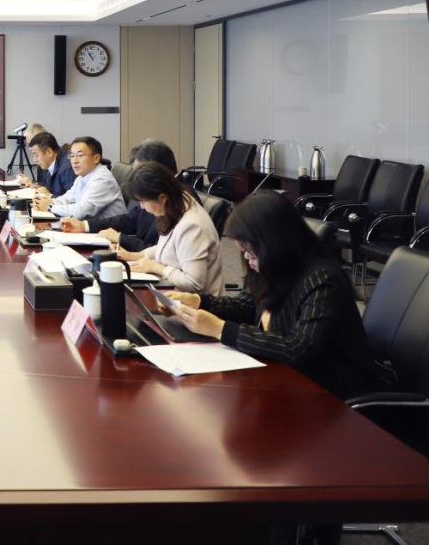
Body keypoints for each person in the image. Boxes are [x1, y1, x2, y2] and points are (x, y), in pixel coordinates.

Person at [162, 192, 396, 399]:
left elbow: (298, 349)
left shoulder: (324, 280)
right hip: (293, 383)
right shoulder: (276, 267)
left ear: (273, 242)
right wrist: (201, 301)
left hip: (333, 394)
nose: (246, 258)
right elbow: (247, 306)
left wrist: (220, 329)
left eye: (250, 250)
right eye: (243, 250)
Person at [61, 139, 199, 252]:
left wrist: (120, 238)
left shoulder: (179, 198)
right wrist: (85, 225)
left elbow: (160, 250)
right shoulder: (158, 190)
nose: (135, 179)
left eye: (140, 172)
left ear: (157, 169)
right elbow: (131, 219)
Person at [114, 162, 223, 296]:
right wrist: (136, 256)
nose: (142, 207)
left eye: (143, 201)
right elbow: (169, 247)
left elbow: (194, 284)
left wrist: (157, 268)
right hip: (173, 293)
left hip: (198, 304)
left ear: (162, 197)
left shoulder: (191, 226)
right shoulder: (176, 205)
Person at [36, 136, 126, 220]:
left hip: (109, 230)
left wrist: (50, 207)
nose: (74, 161)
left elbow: (81, 212)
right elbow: (68, 198)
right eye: (72, 156)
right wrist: (48, 202)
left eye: (80, 155)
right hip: (92, 227)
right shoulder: (83, 176)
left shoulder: (103, 180)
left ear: (96, 158)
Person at [25, 132, 75, 198]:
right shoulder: (51, 165)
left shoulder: (67, 169)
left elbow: (72, 200)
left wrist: (49, 196)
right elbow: (55, 191)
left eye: (36, 155)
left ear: (49, 152)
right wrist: (41, 188)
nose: (35, 160)